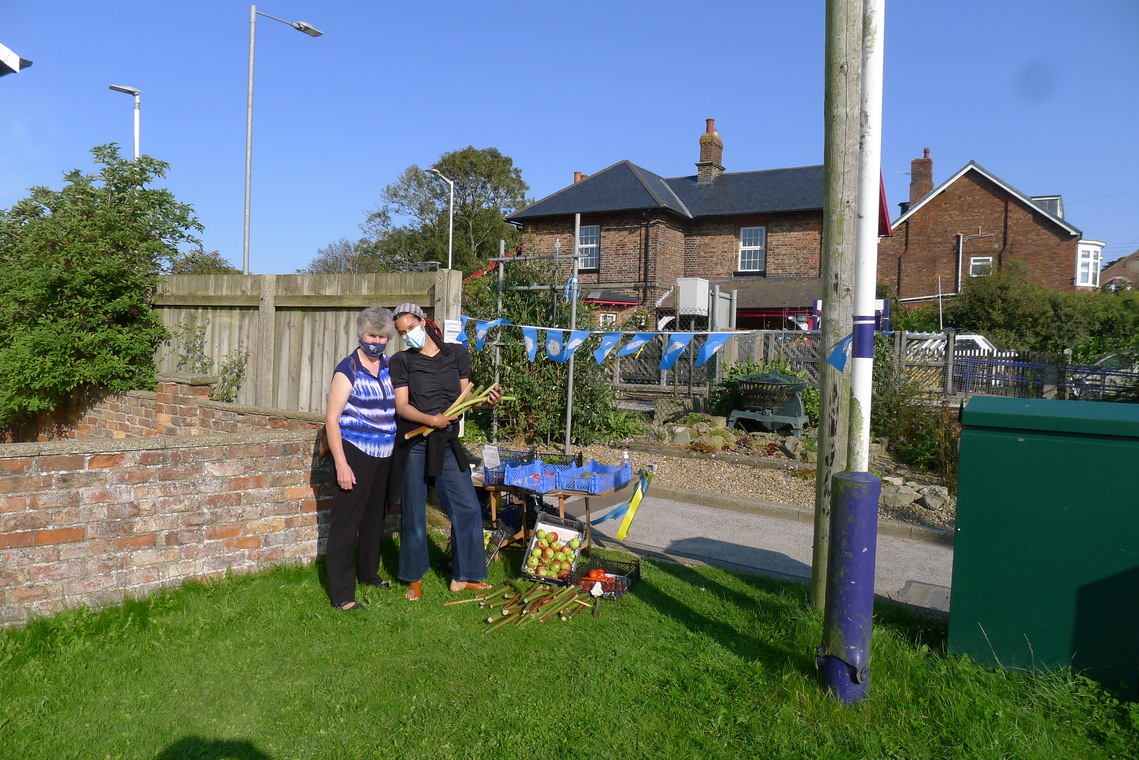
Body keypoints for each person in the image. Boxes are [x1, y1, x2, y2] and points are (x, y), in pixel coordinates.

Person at [390, 302, 502, 601]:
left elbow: (466, 399)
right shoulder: (401, 361)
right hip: (414, 444)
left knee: (467, 508)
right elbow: (402, 406)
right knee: (414, 512)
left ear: (423, 322)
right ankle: (414, 578)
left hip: (447, 444)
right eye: (402, 333)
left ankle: (464, 577)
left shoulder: (456, 354)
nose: (408, 335)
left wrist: (487, 402)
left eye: (411, 327)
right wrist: (431, 420)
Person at [323, 305, 399, 611]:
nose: (377, 342)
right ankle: (343, 594)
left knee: (374, 520)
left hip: (385, 454)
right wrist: (341, 464)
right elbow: (331, 420)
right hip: (355, 453)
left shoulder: (391, 366)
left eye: (382, 337)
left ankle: (369, 573)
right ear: (361, 334)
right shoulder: (348, 369)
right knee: (346, 525)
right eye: (372, 335)